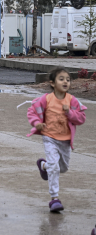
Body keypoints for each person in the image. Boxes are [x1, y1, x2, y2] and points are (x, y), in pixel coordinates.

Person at [27, 67, 87, 213]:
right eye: (61, 79)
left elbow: (81, 118)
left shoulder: (72, 101)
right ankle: (54, 199)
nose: (65, 81)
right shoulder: (46, 99)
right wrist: (37, 123)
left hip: (65, 141)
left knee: (63, 168)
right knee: (55, 167)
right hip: (50, 138)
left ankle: (43, 166)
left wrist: (70, 113)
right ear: (52, 83)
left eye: (68, 79)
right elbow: (32, 111)